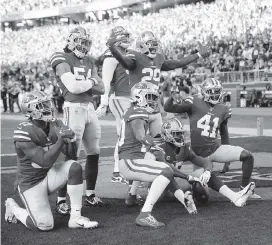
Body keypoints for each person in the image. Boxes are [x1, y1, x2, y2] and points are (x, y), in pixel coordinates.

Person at [5, 91, 98, 231]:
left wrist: (71, 141)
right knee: (44, 225)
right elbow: (44, 161)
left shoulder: (56, 124)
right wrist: (61, 139)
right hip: (31, 183)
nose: (48, 107)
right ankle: (14, 208)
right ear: (30, 110)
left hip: (49, 176)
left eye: (48, 103)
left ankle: (75, 217)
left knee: (74, 167)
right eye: (42, 105)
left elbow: (71, 155)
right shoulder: (24, 131)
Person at [164, 78, 261, 199]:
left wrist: (227, 160)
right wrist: (171, 97)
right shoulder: (194, 101)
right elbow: (169, 108)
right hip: (198, 156)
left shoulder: (224, 109)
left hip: (215, 150)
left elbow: (224, 133)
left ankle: (245, 189)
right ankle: (172, 189)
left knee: (248, 156)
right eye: (211, 91)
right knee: (202, 195)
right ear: (204, 92)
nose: (215, 94)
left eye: (217, 91)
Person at [118, 82, 198, 229]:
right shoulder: (138, 111)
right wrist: (146, 139)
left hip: (136, 158)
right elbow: (139, 134)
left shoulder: (137, 110)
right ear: (138, 96)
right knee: (165, 169)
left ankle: (183, 200)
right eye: (149, 97)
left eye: (154, 98)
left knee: (165, 169)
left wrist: (186, 181)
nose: (153, 101)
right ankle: (144, 215)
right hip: (130, 160)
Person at [50, 26, 106, 214]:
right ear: (71, 40)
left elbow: (103, 89)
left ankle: (89, 194)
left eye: (86, 42)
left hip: (90, 109)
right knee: (71, 153)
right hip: (73, 108)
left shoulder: (89, 60)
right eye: (80, 41)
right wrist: (91, 82)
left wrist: (88, 85)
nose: (83, 46)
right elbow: (73, 87)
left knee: (94, 152)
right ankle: (60, 199)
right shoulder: (60, 57)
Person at [152, 117, 255, 206]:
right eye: (176, 134)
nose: (180, 137)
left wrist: (207, 171)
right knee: (189, 180)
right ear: (166, 135)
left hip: (175, 185)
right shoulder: (159, 149)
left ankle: (234, 197)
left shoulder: (184, 149)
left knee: (202, 173)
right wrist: (187, 177)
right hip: (160, 190)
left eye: (181, 133)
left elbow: (205, 162)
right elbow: (168, 169)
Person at [96, 26, 131, 184]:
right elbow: (106, 81)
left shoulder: (127, 54)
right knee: (123, 135)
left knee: (130, 135)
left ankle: (125, 169)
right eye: (122, 37)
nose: (126, 39)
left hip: (130, 98)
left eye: (126, 36)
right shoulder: (111, 56)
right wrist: (103, 102)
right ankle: (118, 171)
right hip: (119, 99)